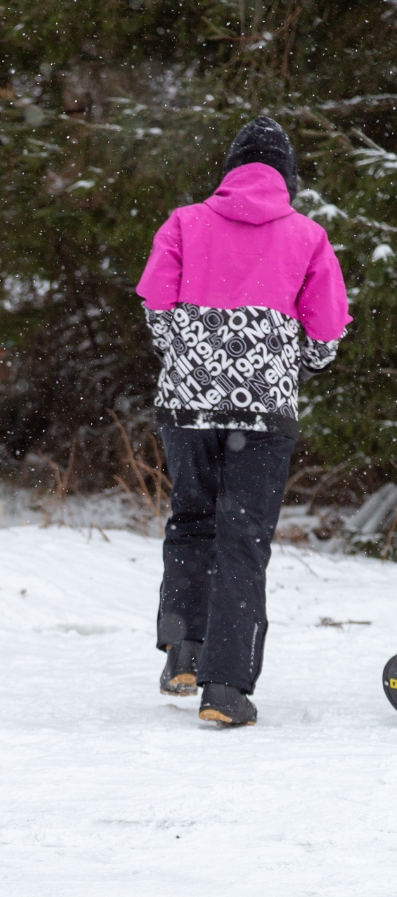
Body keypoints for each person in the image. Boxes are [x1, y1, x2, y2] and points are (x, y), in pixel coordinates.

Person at [137, 116, 351, 726]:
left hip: (188, 405)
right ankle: (226, 689)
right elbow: (326, 329)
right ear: (286, 178)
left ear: (229, 170)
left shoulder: (184, 222)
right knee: (243, 539)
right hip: (263, 414)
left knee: (191, 521)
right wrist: (290, 365)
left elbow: (157, 307)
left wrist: (194, 360)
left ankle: (183, 649)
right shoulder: (307, 236)